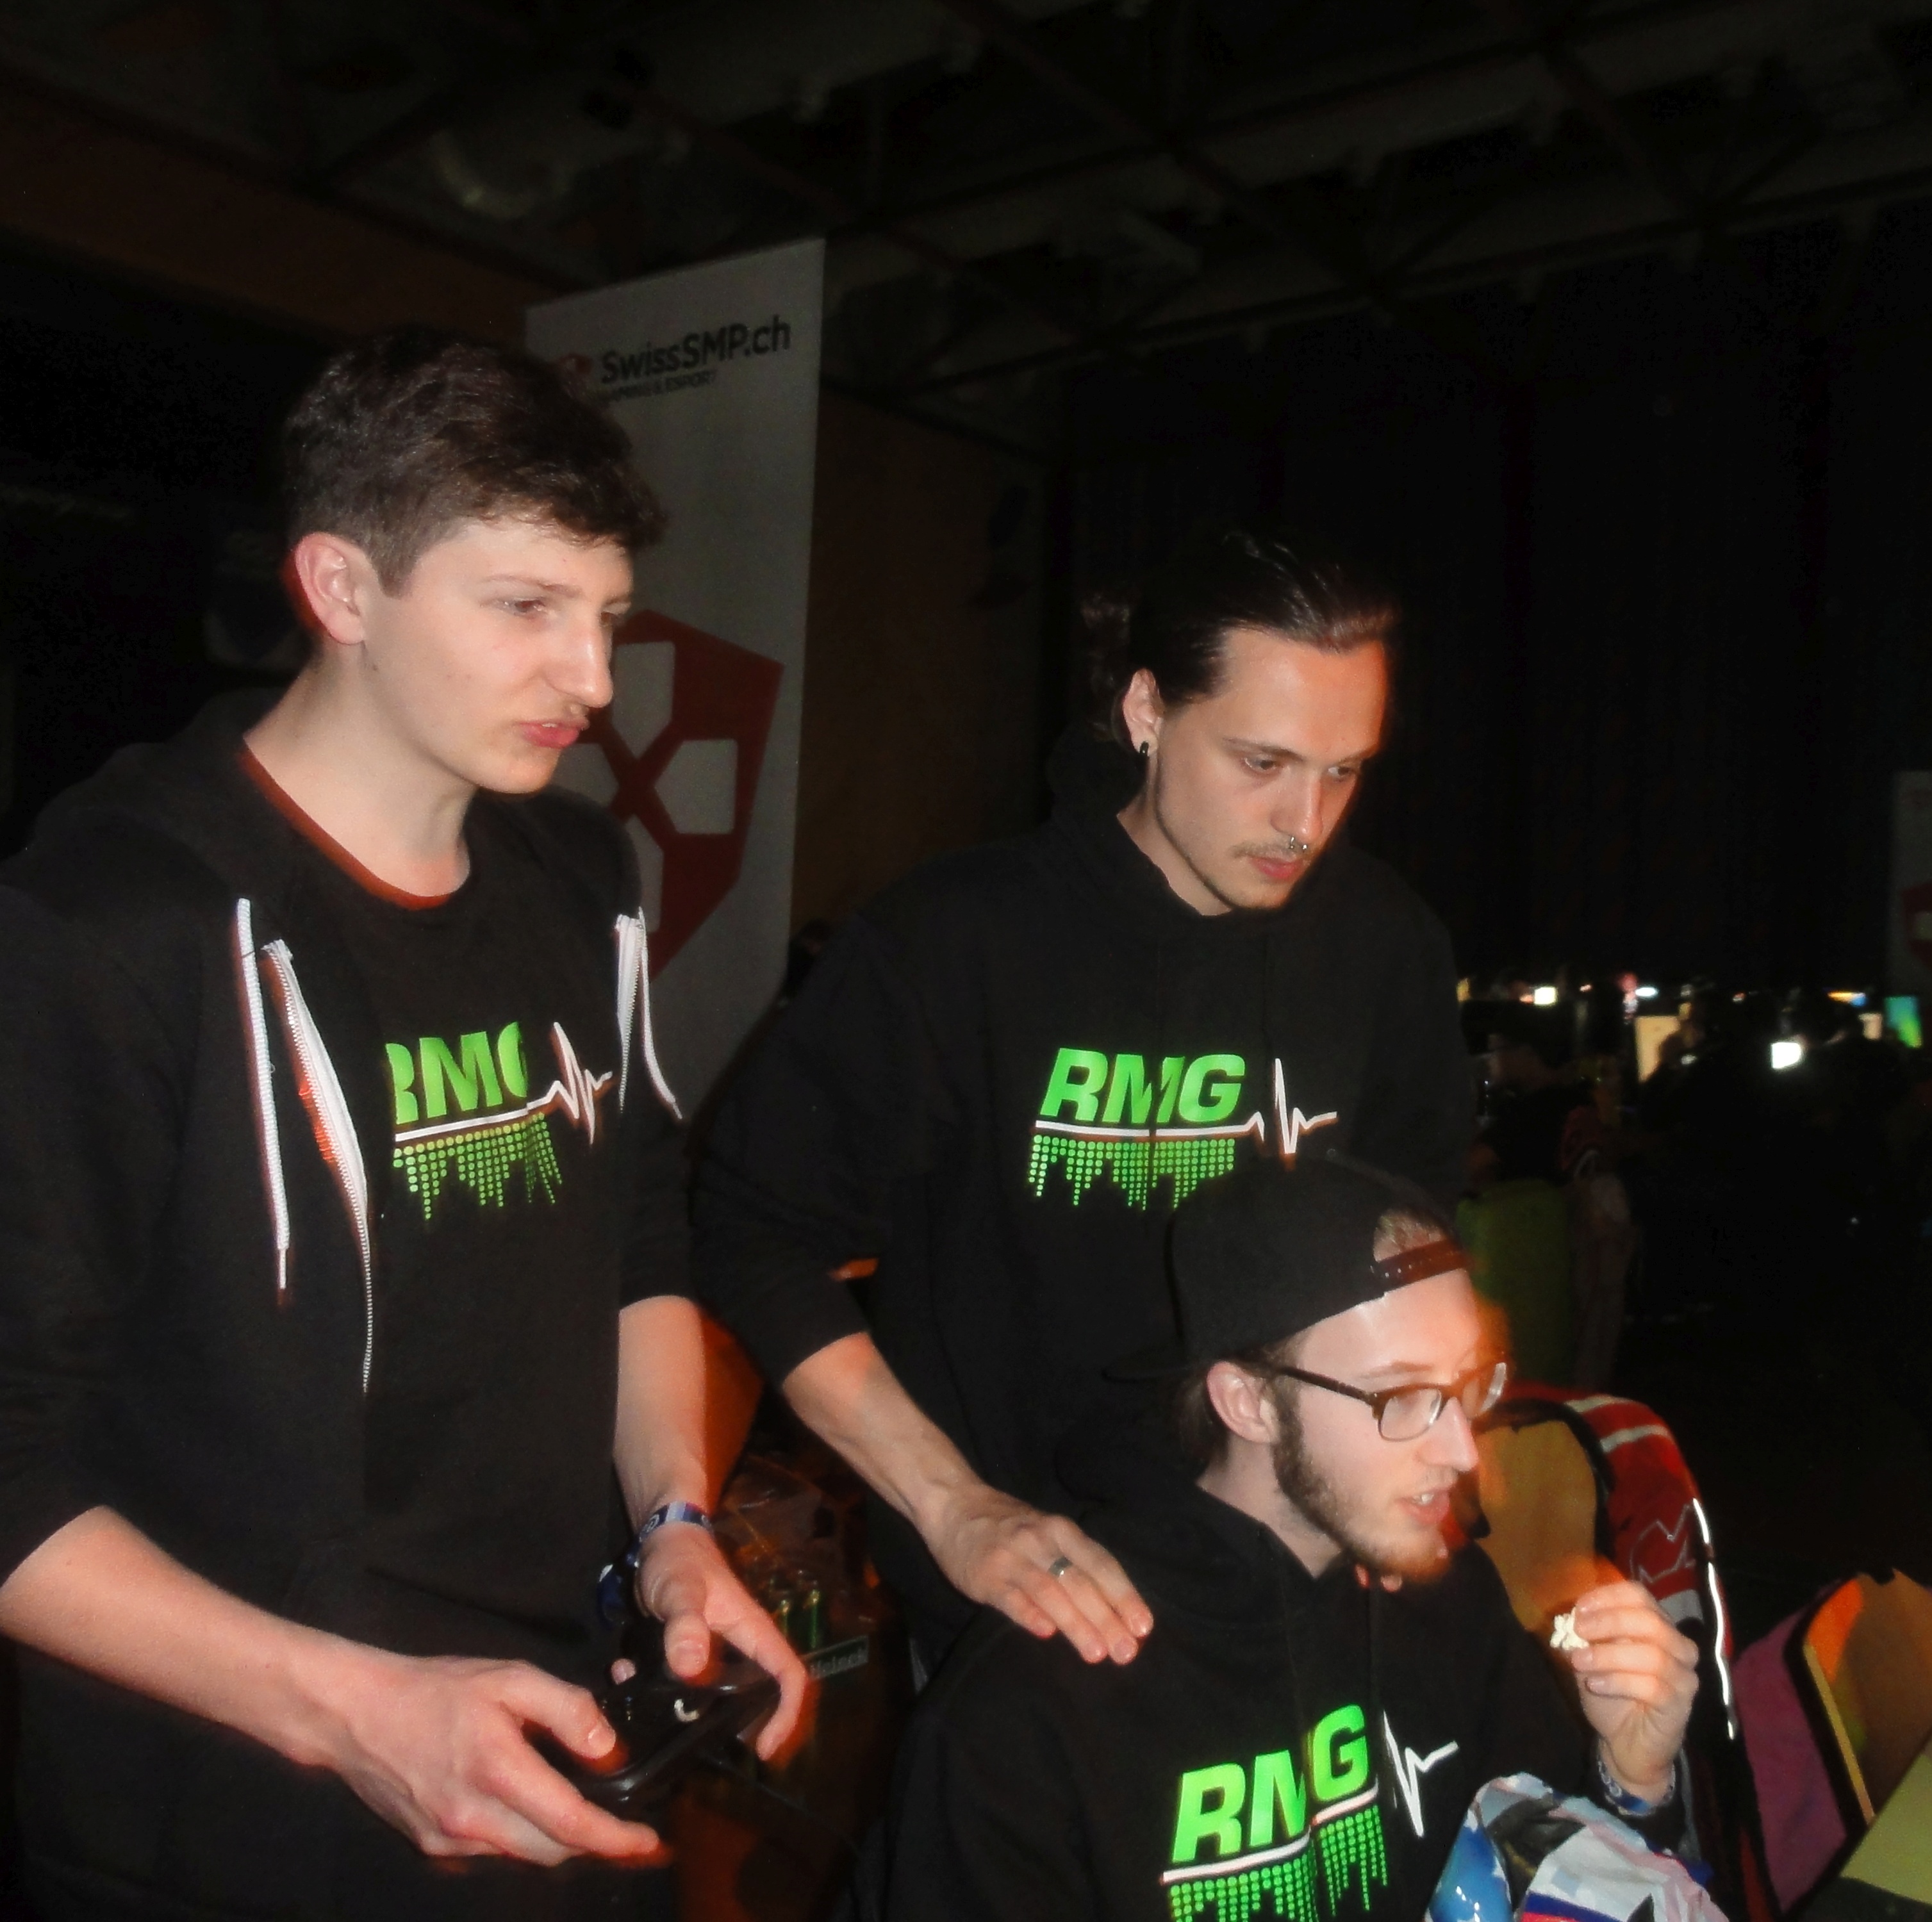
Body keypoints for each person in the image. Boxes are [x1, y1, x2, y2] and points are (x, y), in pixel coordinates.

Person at [0, 329, 805, 1919]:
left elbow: (638, 1243)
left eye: (607, 617)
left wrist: (674, 1528)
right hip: (239, 1814)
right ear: (341, 588)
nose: (593, 681)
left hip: (558, 1733)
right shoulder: (107, 926)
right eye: (525, 608)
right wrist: (355, 1712)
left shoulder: (581, 880)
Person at [694, 526, 1476, 1668]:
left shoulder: (1384, 946)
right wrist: (953, 1504)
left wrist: (1401, 1468)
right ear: (1147, 710)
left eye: (1343, 771)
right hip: (1028, 1613)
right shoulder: (954, 944)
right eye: (1262, 763)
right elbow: (753, 1235)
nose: (1304, 823)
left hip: (1301, 1586)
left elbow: (1414, 1251)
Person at [862, 1153, 1701, 1919]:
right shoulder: (1033, 1707)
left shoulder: (1453, 1607)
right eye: (1402, 1398)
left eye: (1469, 1385)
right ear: (1249, 1403)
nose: (1461, 1451)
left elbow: (1557, 1885)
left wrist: (1629, 1775)